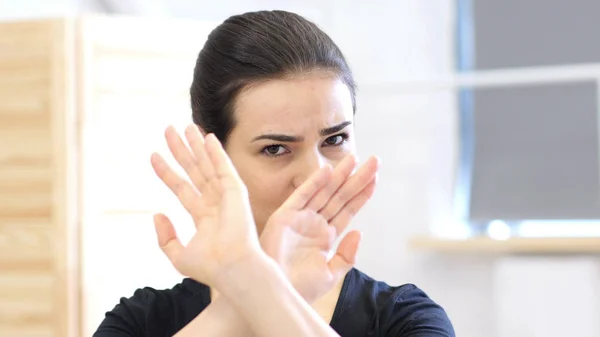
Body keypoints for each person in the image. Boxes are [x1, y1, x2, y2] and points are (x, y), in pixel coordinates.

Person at [93, 10, 455, 337]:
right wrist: (254, 288)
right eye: (276, 149)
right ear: (213, 155)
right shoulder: (140, 323)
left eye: (335, 139)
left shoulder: (405, 319)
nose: (318, 175)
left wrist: (256, 284)